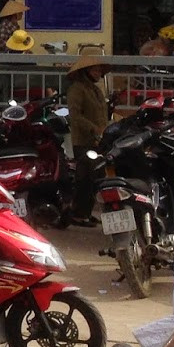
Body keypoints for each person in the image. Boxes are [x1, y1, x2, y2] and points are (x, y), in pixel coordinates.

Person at [66, 49, 110, 227]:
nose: (98, 73)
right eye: (94, 70)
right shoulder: (77, 90)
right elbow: (75, 116)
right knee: (85, 178)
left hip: (98, 140)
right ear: (85, 71)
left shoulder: (96, 90)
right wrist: (94, 129)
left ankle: (86, 212)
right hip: (83, 141)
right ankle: (78, 214)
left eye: (99, 70)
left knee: (96, 178)